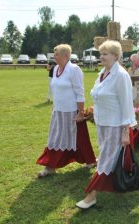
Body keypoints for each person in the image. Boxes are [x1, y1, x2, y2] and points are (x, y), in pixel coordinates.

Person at [76, 40, 137, 209]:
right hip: (102, 123)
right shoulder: (103, 73)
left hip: (115, 125)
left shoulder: (121, 75)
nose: (101, 56)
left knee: (105, 159)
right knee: (107, 156)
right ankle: (117, 184)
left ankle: (91, 196)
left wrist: (126, 131)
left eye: (105, 54)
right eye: (100, 53)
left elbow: (126, 104)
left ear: (116, 56)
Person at [36, 44, 96, 177]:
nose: (54, 57)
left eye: (56, 54)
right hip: (58, 111)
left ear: (66, 56)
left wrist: (80, 112)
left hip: (72, 111)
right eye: (54, 54)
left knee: (79, 138)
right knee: (56, 137)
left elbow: (79, 93)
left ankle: (89, 161)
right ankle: (51, 167)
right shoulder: (56, 68)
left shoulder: (74, 70)